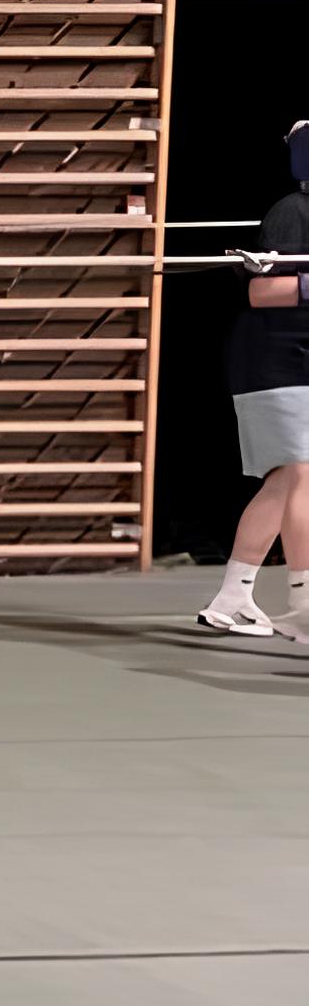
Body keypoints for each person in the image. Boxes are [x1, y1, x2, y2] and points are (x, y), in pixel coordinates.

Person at [197, 116, 309, 643]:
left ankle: (299, 601)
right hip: (273, 362)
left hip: (300, 364)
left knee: (301, 479)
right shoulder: (292, 212)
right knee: (290, 477)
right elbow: (263, 294)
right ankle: (234, 597)